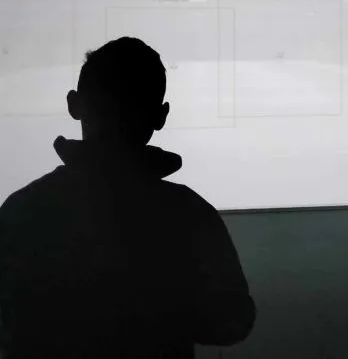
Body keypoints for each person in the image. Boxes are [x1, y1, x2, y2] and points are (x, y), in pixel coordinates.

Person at [0, 37, 256, 358]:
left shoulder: (23, 210)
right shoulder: (190, 214)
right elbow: (232, 322)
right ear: (161, 116)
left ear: (74, 105)